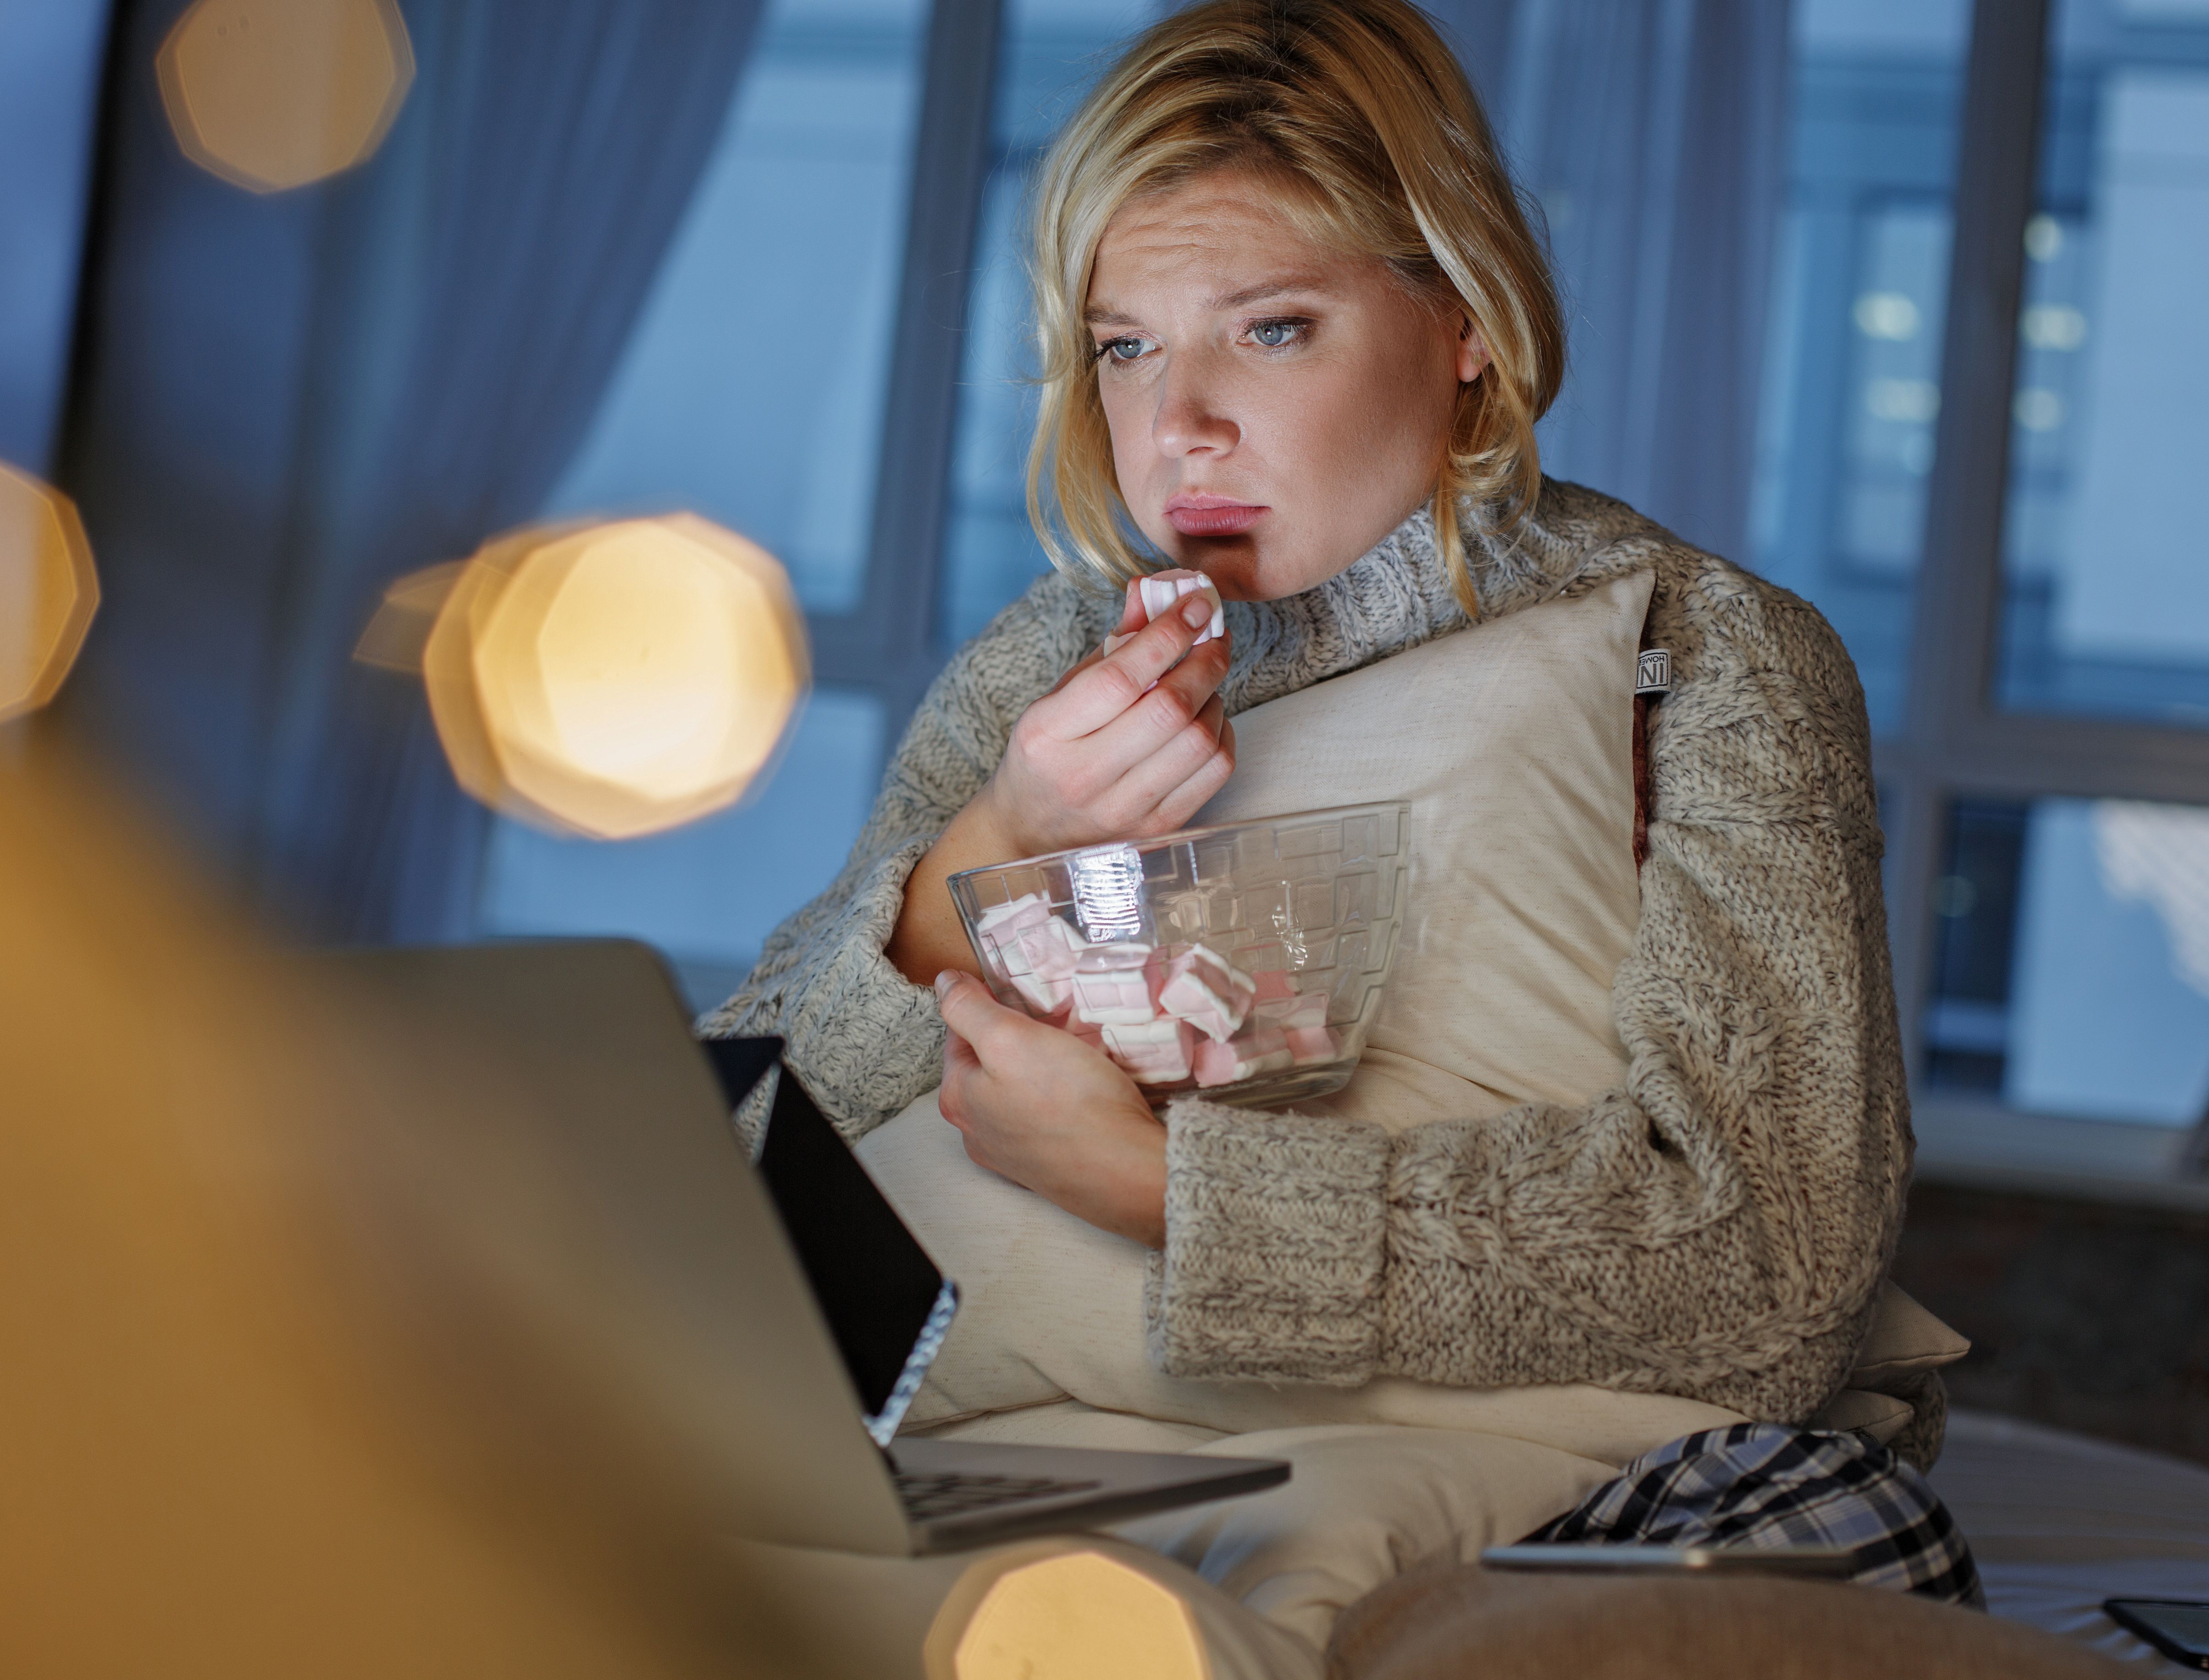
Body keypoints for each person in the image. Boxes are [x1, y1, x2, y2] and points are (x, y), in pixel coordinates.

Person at [708, 0, 1911, 1432]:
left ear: (1466, 321)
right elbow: (713, 1165)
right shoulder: (1046, 656)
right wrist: (995, 848)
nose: (1179, 429)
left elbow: (1775, 1270)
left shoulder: (1708, 657)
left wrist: (1158, 1190)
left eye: (1272, 329)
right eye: (1127, 348)